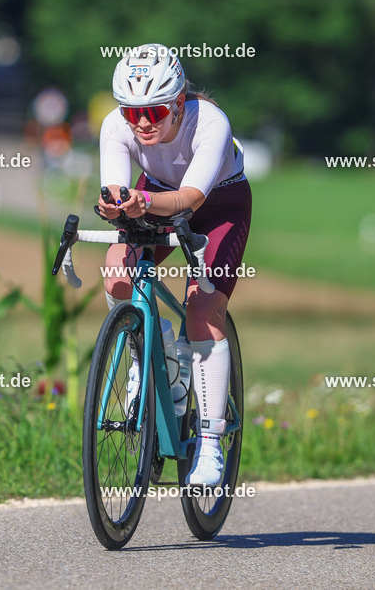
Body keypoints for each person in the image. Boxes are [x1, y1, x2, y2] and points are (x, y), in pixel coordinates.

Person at [98, 43, 251, 486]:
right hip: (157, 192)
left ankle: (209, 443)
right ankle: (156, 356)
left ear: (179, 103)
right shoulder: (115, 125)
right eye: (132, 113)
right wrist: (115, 205)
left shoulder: (211, 123)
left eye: (156, 112)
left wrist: (141, 201)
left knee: (202, 309)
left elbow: (189, 200)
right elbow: (116, 189)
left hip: (217, 203)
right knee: (117, 271)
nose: (142, 123)